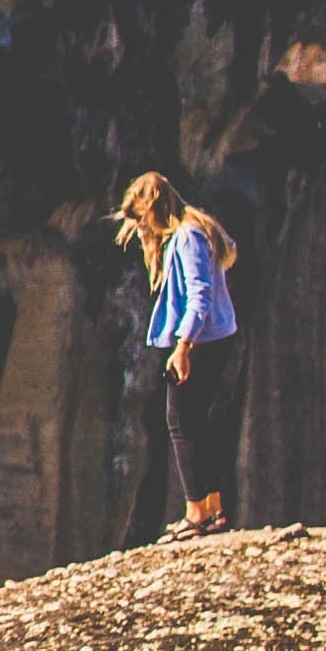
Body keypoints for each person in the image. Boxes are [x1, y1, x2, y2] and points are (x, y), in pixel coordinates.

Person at [118, 172, 243, 540]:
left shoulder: (188, 236)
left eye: (141, 216)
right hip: (213, 336)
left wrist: (183, 347)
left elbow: (199, 295)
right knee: (196, 422)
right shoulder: (192, 230)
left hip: (201, 339)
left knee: (180, 421)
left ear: (154, 207)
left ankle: (196, 513)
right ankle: (214, 510)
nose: (141, 226)